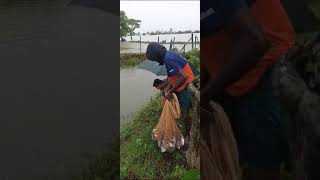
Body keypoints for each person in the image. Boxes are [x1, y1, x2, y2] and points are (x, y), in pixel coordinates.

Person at [201, 0, 295, 180]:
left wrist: (204, 97)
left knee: (261, 162)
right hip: (236, 77)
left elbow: (256, 42)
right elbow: (211, 45)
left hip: (267, 70)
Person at [146, 43, 194, 137]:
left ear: (157, 55)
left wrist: (170, 91)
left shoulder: (168, 59)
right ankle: (186, 128)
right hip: (181, 85)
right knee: (181, 109)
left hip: (186, 86)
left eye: (154, 59)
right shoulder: (169, 55)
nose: (155, 61)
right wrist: (168, 86)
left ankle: (189, 135)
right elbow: (173, 75)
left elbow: (183, 77)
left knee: (185, 113)